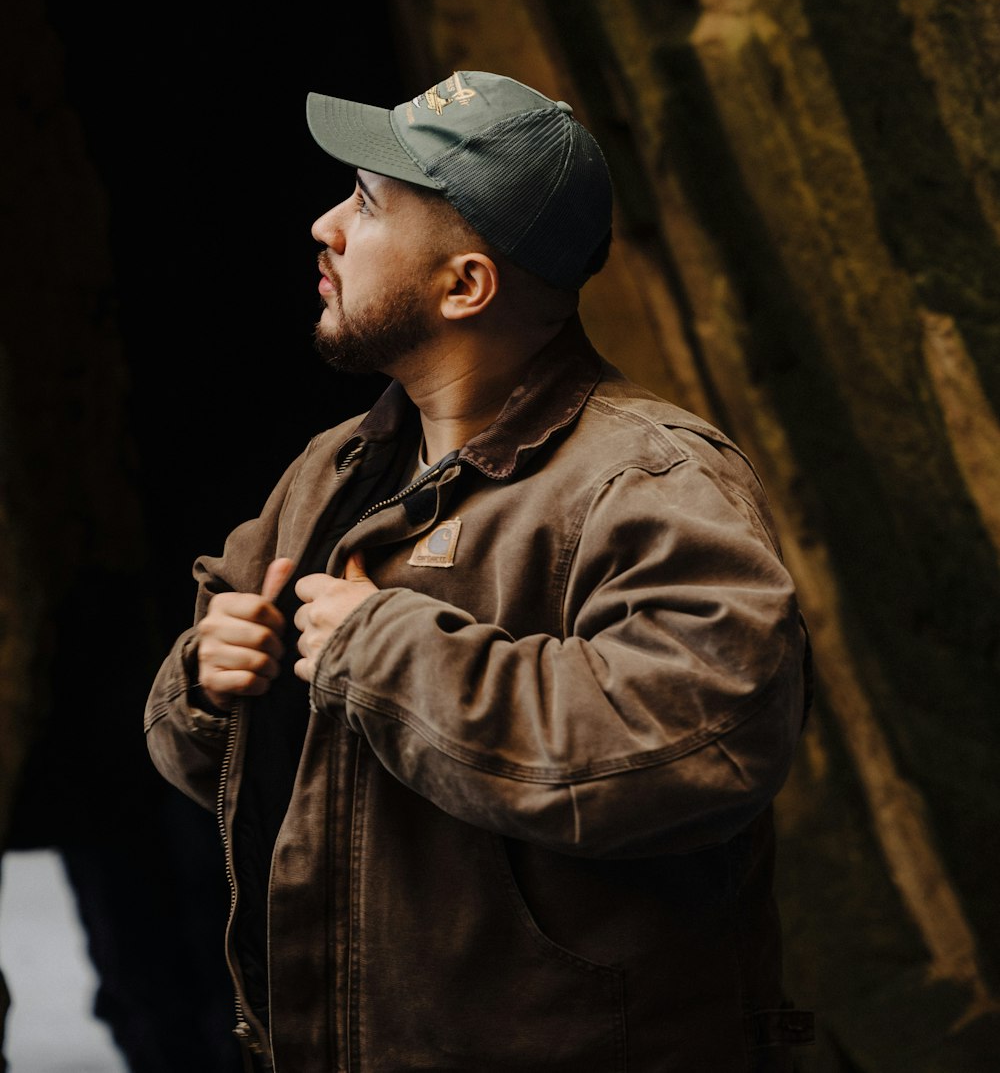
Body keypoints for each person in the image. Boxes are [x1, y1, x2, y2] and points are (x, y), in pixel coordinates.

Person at [145, 70, 813, 1072]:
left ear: (465, 285)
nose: (323, 225)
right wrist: (205, 681)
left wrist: (385, 653)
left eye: (367, 204)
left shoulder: (649, 478)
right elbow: (221, 766)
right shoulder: (329, 473)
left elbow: (696, 740)